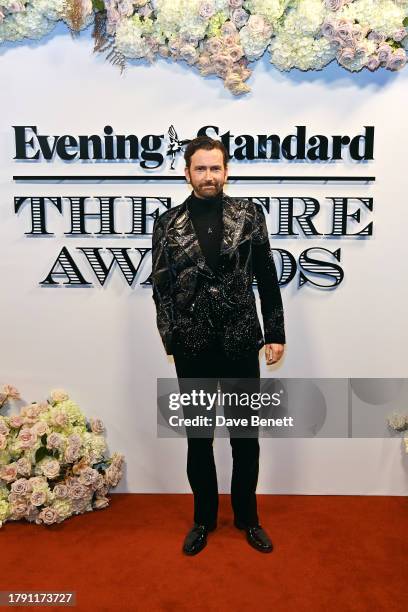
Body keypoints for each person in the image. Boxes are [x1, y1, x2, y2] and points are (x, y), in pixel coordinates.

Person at [150, 135, 286, 555]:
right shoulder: (167, 223)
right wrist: (170, 336)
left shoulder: (249, 215)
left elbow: (266, 274)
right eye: (201, 168)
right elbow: (161, 286)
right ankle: (203, 520)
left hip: (242, 339)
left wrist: (276, 332)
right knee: (199, 438)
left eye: (216, 168)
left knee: (245, 438)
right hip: (191, 345)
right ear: (187, 172)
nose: (209, 176)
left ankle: (248, 518)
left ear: (226, 171)